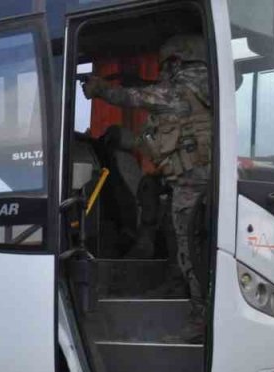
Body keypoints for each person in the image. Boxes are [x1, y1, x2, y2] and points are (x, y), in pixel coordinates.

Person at [83, 34, 212, 342]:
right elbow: (151, 140)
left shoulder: (183, 89)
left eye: (165, 66)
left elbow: (134, 99)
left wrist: (100, 88)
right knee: (176, 237)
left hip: (191, 184)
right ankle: (178, 286)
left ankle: (200, 319)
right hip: (192, 182)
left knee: (189, 250)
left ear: (176, 62)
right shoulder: (207, 90)